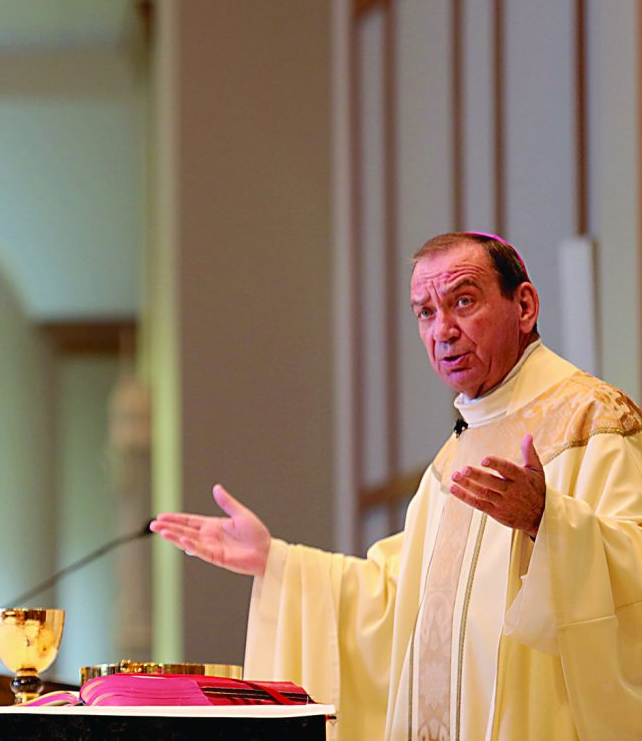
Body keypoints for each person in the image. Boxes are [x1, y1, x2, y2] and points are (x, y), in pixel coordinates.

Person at [151, 232, 642, 741]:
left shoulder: (592, 419)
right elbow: (397, 598)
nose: (443, 331)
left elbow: (634, 578)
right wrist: (278, 562)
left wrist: (547, 521)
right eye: (425, 313)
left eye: (463, 302)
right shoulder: (452, 458)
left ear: (524, 305)